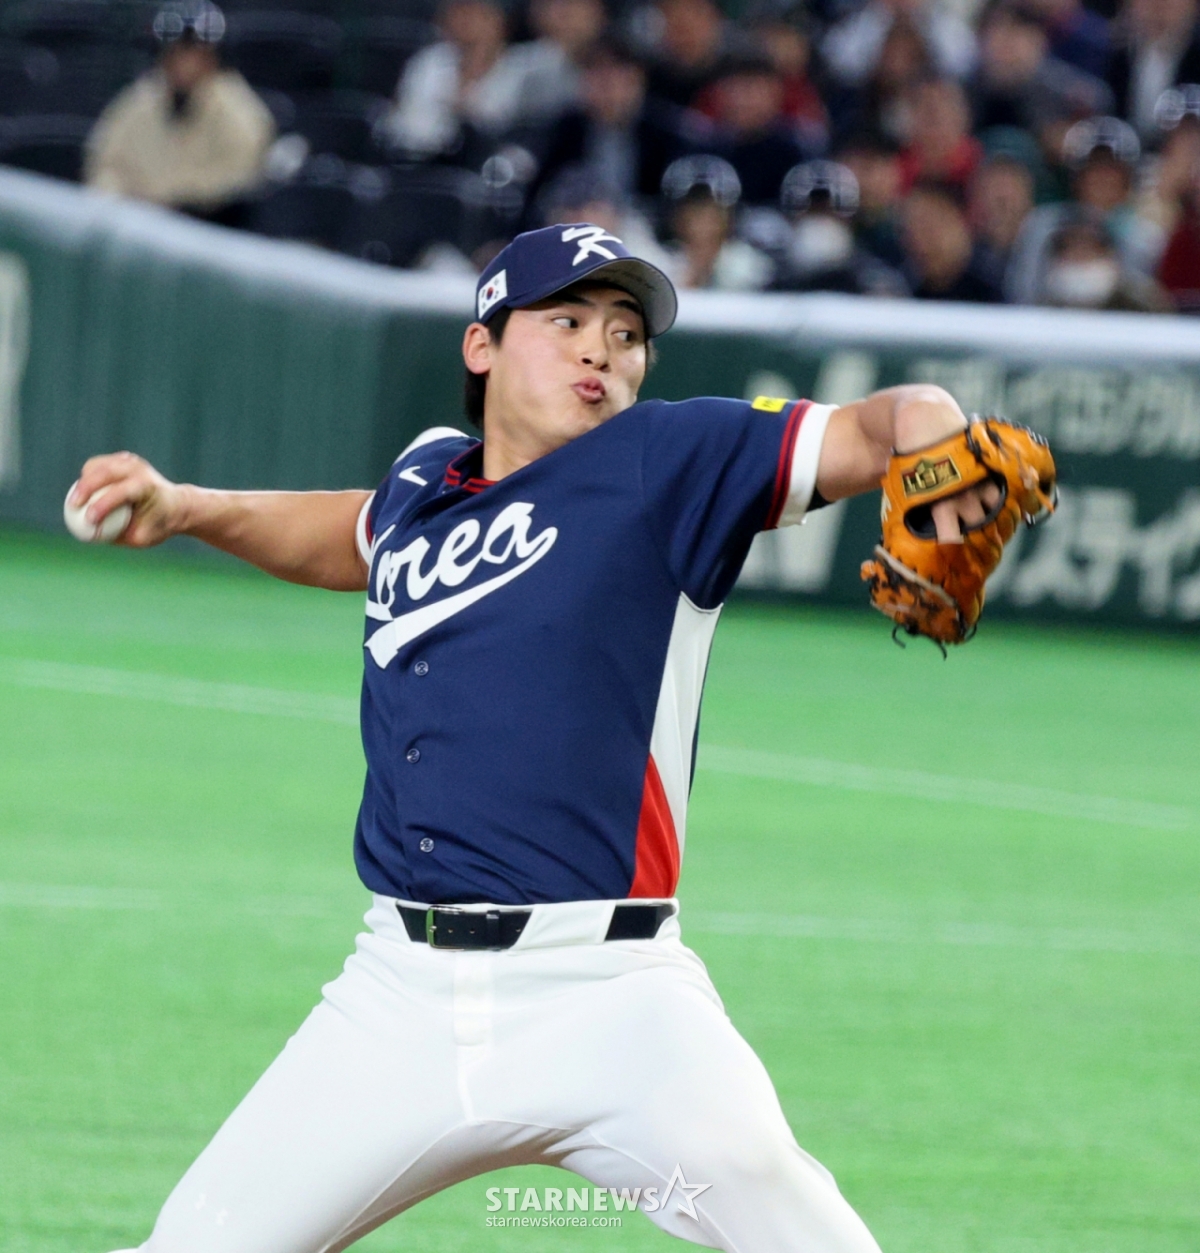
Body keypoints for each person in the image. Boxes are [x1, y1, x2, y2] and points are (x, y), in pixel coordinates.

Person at [81, 221, 997, 1253]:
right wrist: (192, 505)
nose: (603, 349)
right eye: (567, 320)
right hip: (398, 995)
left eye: (626, 332)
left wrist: (939, 454)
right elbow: (351, 535)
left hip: (613, 998)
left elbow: (898, 420)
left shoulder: (669, 462)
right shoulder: (426, 483)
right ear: (483, 345)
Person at [84, 0, 274, 217]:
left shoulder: (239, 109)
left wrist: (174, 198)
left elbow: (241, 182)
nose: (183, 61)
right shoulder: (142, 99)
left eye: (192, 49)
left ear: (211, 56)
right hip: (138, 228)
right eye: (175, 50)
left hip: (207, 229)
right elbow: (105, 165)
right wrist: (118, 199)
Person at [902, 178, 1004, 298]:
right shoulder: (901, 291)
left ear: (962, 222)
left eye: (929, 227)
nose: (919, 240)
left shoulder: (996, 288)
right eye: (912, 228)